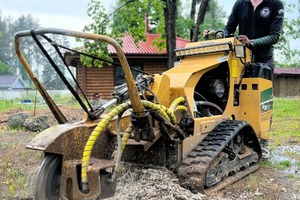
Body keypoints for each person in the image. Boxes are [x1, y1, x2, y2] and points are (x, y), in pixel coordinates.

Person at [204, 0, 284, 159]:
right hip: (240, 58)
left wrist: (251, 42)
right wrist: (218, 35)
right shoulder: (240, 4)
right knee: (235, 97)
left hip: (263, 60)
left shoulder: (275, 4)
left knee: (262, 102)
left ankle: (263, 141)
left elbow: (275, 36)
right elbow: (230, 28)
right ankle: (238, 136)